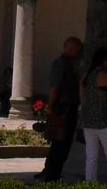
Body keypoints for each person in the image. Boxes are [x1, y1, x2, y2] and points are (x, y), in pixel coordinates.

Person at [37, 36, 83, 182]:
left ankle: (51, 171)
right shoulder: (61, 64)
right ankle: (51, 173)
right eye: (77, 48)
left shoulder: (72, 64)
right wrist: (50, 108)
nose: (79, 52)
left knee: (62, 143)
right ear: (70, 48)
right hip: (63, 108)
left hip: (68, 107)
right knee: (60, 142)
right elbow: (55, 87)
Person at [79, 46, 107, 189]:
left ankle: (90, 185)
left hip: (87, 121)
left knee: (91, 157)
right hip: (104, 121)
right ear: (105, 59)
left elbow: (82, 97)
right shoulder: (106, 76)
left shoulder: (86, 76)